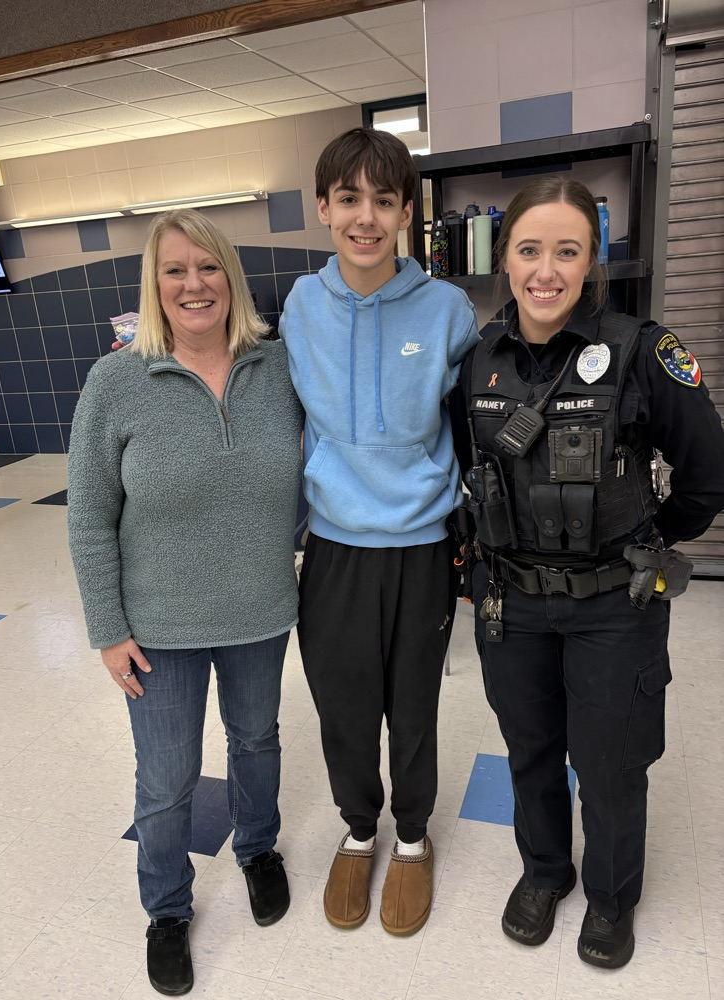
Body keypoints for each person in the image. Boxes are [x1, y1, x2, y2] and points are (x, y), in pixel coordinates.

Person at [449, 175, 724, 969]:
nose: (547, 270)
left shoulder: (645, 351)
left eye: (567, 251)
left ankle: (609, 898)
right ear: (506, 257)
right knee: (529, 750)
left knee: (609, 763)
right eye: (530, 249)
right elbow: (466, 472)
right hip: (510, 602)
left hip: (614, 604)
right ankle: (544, 874)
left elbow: (709, 475)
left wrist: (647, 541)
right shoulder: (477, 364)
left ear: (591, 260)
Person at [67, 209, 303, 996]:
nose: (194, 284)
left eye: (209, 268)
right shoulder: (117, 382)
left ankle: (258, 848)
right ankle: (167, 910)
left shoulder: (279, 367)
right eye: (176, 271)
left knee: (257, 740)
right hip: (157, 627)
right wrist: (107, 628)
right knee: (166, 779)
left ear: (231, 277)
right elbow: (89, 515)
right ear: (155, 285)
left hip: (261, 611)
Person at [279, 127, 479, 936]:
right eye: (350, 198)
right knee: (344, 706)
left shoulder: (446, 309)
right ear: (323, 206)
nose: (366, 217)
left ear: (404, 213)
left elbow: (475, 424)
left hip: (423, 546)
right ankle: (359, 830)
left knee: (414, 704)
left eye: (384, 200)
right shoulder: (300, 304)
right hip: (333, 546)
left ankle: (413, 838)